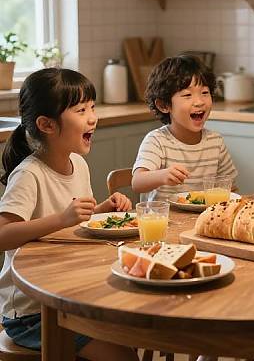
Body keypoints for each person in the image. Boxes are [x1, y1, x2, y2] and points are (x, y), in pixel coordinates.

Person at [0, 68, 137, 361]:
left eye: (92, 107)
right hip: (31, 314)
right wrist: (62, 219)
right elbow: (3, 235)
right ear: (47, 124)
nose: (92, 117)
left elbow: (78, 220)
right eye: (81, 110)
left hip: (71, 297)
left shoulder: (78, 164)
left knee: (130, 330)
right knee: (123, 355)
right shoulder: (29, 174)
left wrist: (102, 210)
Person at [132, 54, 238, 201]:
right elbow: (137, 182)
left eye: (205, 93)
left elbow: (230, 186)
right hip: (165, 221)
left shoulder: (215, 142)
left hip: (203, 220)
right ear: (164, 105)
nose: (199, 102)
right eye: (187, 95)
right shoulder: (157, 141)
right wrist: (162, 176)